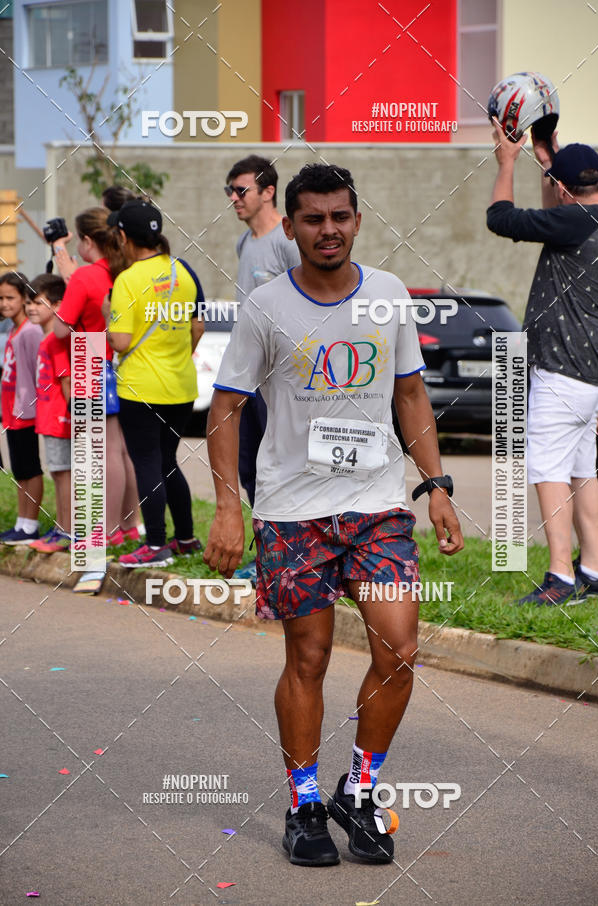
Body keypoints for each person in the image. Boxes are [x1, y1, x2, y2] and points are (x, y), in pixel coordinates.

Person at [204, 164, 463, 867]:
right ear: (290, 227)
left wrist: (435, 484)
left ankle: (361, 787)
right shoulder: (265, 306)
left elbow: (410, 396)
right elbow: (224, 408)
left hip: (376, 506)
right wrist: (229, 506)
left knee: (399, 649)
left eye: (340, 216)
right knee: (309, 658)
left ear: (357, 218)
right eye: (313, 219)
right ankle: (303, 803)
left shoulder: (387, 296)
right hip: (293, 513)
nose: (329, 229)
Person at [487, 124, 598, 605]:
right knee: (583, 473)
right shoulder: (586, 222)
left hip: (559, 374)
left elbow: (501, 218)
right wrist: (545, 155)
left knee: (548, 470)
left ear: (562, 188)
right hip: (589, 380)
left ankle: (560, 578)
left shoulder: (572, 223)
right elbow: (556, 205)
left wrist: (507, 162)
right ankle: (594, 569)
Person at [107, 199, 205, 567]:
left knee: (147, 461)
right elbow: (197, 326)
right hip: (181, 385)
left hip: (140, 387)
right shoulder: (185, 271)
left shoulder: (127, 280)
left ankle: (156, 545)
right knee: (168, 461)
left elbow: (119, 341)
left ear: (122, 236)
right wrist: (179, 355)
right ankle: (186, 538)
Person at [53, 206, 142, 546]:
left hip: (91, 357)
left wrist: (67, 283)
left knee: (100, 452)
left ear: (88, 240)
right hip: (126, 359)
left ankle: (101, 531)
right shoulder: (127, 270)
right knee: (122, 451)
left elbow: (61, 329)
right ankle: (129, 525)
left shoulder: (84, 276)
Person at [225, 155, 300, 512]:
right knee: (248, 466)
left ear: (268, 191)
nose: (234, 198)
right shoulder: (243, 242)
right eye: (230, 191)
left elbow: (309, 300)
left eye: (241, 190)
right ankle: (264, 556)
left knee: (281, 466)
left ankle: (291, 553)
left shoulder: (286, 241)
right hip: (248, 372)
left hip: (282, 376)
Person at [25, 275, 72, 553]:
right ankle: (61, 527)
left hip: (59, 418)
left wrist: (74, 416)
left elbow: (66, 380)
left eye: (38, 302)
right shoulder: (47, 338)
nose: (31, 308)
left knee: (62, 474)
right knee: (58, 473)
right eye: (29, 302)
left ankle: (67, 531)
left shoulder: (56, 339)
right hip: (49, 418)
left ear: (57, 306)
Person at [0, 272, 44, 544]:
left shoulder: (30, 331)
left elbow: (37, 373)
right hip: (11, 411)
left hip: (25, 411)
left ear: (24, 297)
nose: (4, 303)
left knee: (30, 467)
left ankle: (31, 525)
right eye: (0, 298)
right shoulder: (13, 330)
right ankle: (22, 521)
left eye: (10, 297)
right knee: (19, 469)